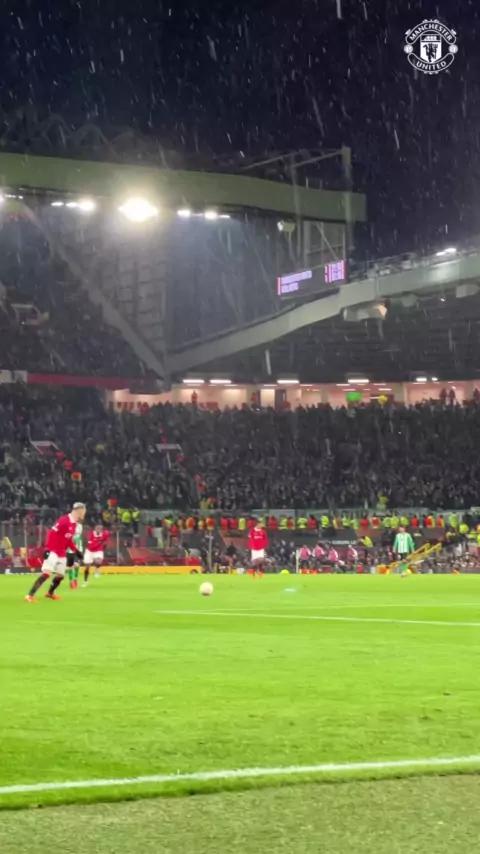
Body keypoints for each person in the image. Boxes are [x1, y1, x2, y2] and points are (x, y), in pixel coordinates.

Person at [25, 503, 86, 602]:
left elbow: (69, 540)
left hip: (61, 553)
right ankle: (29, 596)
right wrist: (47, 549)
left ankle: (50, 593)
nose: (83, 515)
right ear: (79, 512)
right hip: (53, 551)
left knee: (61, 575)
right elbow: (51, 533)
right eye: (83, 513)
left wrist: (76, 551)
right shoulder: (64, 521)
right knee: (47, 573)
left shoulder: (74, 525)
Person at [67, 522, 84, 590]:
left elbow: (77, 537)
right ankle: (71, 581)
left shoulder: (80, 526)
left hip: (78, 549)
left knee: (77, 564)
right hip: (69, 550)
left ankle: (75, 579)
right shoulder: (68, 525)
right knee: (70, 566)